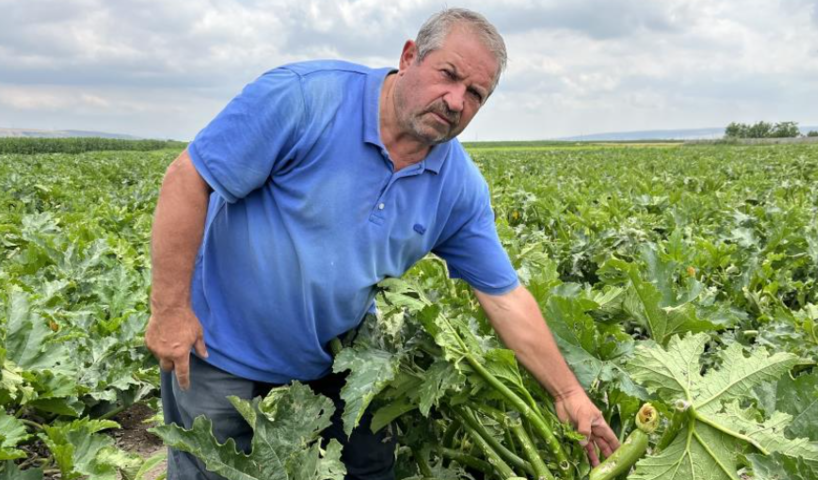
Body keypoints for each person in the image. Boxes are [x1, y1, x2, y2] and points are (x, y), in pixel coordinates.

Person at [145, 8, 619, 480]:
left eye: (475, 93)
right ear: (409, 56)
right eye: (448, 75)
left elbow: (505, 296)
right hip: (218, 353)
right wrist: (169, 312)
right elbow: (189, 178)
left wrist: (568, 394)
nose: (456, 100)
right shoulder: (307, 98)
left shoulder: (457, 186)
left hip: (329, 364)